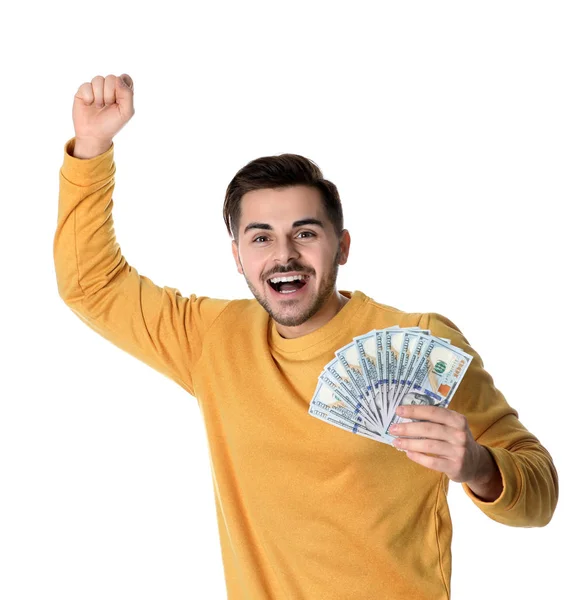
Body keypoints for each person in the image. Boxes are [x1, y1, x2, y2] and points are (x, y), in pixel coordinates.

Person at [53, 73, 559, 600]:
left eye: (305, 233)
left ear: (341, 246)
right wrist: (91, 149)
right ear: (238, 257)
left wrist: (480, 466)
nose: (285, 254)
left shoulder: (420, 342)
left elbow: (541, 496)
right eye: (261, 237)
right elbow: (92, 285)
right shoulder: (213, 338)